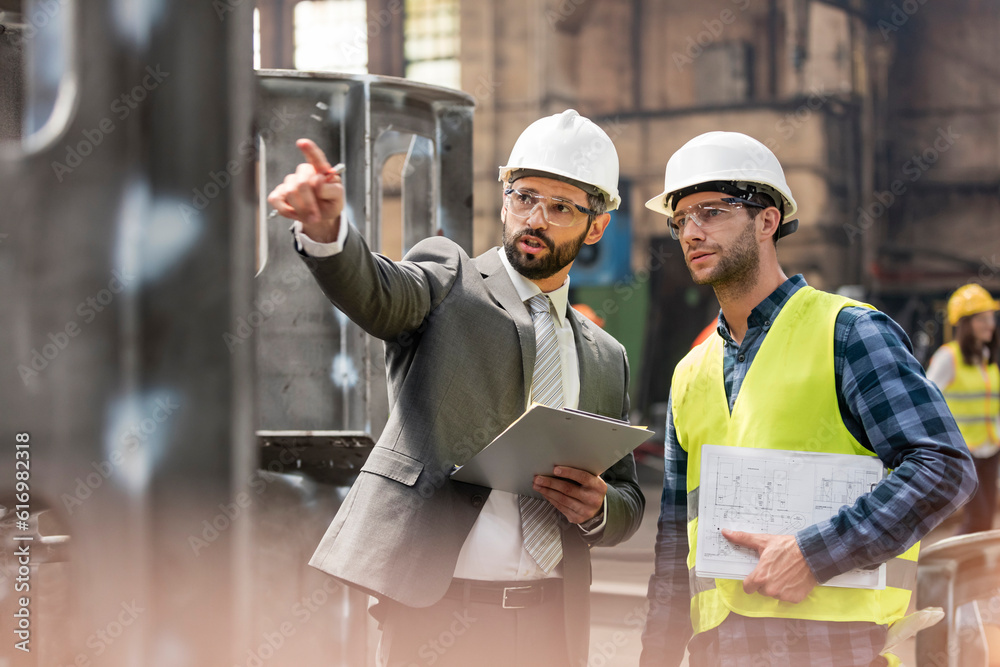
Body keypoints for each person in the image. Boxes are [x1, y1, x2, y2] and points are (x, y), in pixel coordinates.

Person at [266, 109, 644, 667]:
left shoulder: (607, 356)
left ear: (596, 227)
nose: (535, 218)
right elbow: (378, 292)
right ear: (505, 200)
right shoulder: (449, 280)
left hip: (551, 625)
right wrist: (330, 236)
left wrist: (599, 508)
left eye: (561, 207)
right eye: (524, 197)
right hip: (439, 617)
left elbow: (628, 496)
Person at [638, 131, 977, 667]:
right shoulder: (689, 373)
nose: (691, 232)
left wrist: (814, 554)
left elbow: (944, 466)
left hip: (835, 649)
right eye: (680, 220)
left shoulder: (849, 333)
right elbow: (674, 545)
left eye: (711, 212)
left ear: (767, 220)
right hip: (717, 652)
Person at [926, 283, 1000, 534]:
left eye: (991, 317)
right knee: (976, 518)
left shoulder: (987, 358)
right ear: (966, 323)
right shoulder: (948, 358)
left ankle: (971, 559)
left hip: (989, 449)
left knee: (985, 518)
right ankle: (960, 559)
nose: (990, 324)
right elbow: (925, 401)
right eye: (983, 319)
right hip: (964, 451)